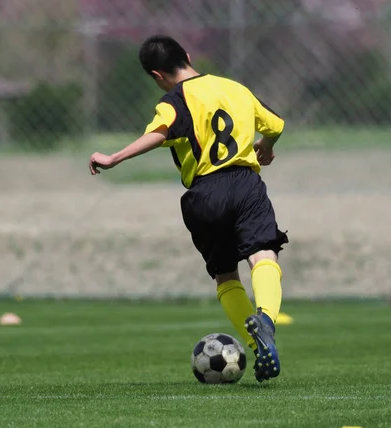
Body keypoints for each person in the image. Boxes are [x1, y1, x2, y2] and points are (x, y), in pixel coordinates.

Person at [89, 35, 288, 382]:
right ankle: (266, 320)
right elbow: (276, 124)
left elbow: (160, 132)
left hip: (204, 194)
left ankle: (258, 349)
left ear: (156, 75)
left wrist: (114, 157)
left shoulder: (173, 100)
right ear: (188, 57)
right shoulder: (235, 88)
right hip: (244, 183)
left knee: (226, 275)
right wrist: (265, 146)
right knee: (263, 255)